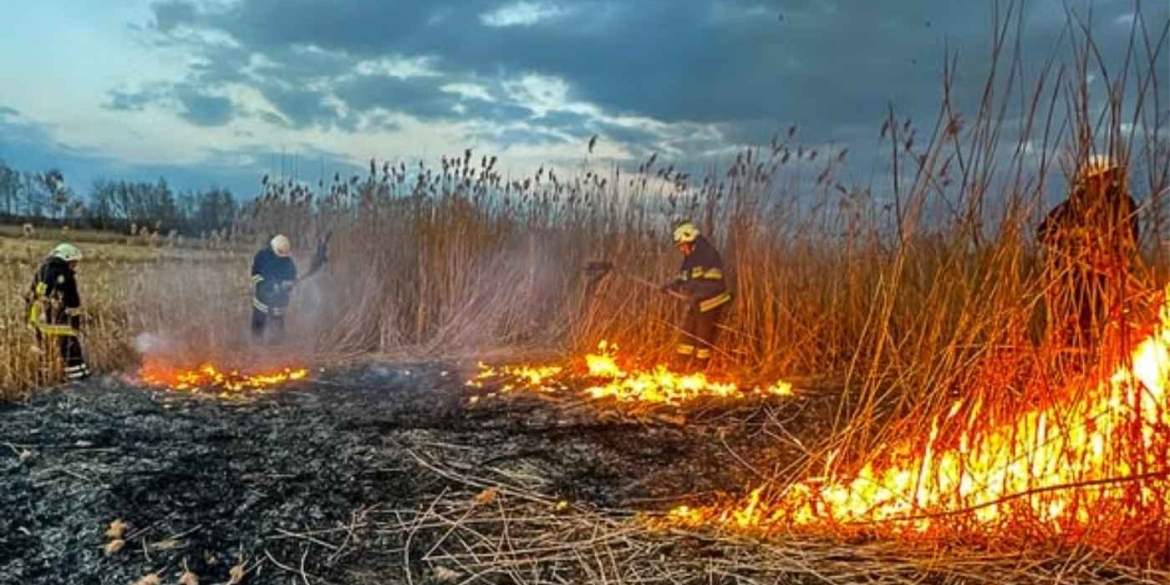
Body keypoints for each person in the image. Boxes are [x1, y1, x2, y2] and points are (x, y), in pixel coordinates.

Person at [1037, 154, 1139, 351]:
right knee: (1074, 326)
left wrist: (1106, 245)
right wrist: (1074, 235)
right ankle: (1074, 365)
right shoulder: (1072, 206)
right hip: (1074, 278)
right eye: (1099, 178)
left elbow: (1131, 241)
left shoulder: (1123, 204)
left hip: (1109, 278)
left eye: (1108, 176)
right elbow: (1043, 233)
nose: (1103, 182)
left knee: (1113, 326)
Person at [662, 221, 733, 371]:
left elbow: (714, 283)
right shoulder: (690, 257)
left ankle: (701, 367)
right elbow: (684, 278)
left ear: (691, 239)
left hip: (712, 301)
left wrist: (696, 294)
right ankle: (681, 364)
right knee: (687, 331)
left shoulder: (709, 255)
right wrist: (671, 286)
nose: (681, 249)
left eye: (682, 245)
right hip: (697, 301)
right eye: (679, 247)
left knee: (703, 335)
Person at [26, 243, 90, 381]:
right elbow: (70, 300)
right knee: (70, 348)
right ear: (66, 259)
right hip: (54, 318)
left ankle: (46, 378)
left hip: (38, 318)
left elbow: (34, 296)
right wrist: (75, 319)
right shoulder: (63, 274)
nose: (75, 265)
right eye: (74, 262)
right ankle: (79, 380)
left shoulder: (43, 270)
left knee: (46, 349)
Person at [251, 234, 297, 345]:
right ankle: (257, 346)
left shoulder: (287, 260)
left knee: (277, 326)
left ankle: (276, 348)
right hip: (262, 299)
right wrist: (267, 285)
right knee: (258, 324)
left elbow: (292, 275)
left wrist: (289, 283)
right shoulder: (261, 257)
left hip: (279, 301)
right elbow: (255, 275)